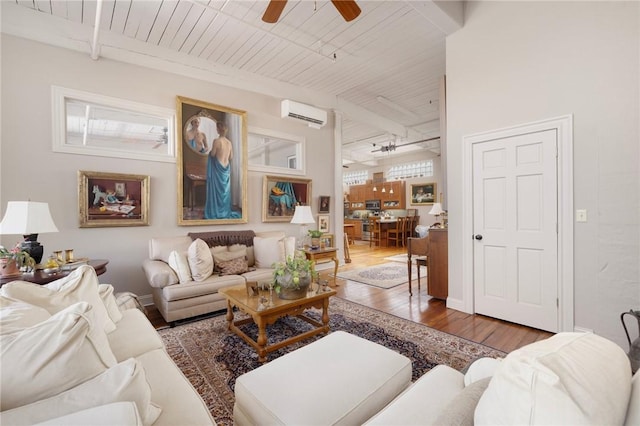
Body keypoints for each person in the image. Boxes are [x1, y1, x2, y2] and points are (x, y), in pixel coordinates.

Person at [204, 120, 241, 219]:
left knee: (217, 191)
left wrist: (211, 152)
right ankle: (224, 211)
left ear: (218, 130)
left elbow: (212, 154)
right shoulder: (229, 143)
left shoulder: (216, 141)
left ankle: (217, 211)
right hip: (226, 168)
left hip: (218, 168)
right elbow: (231, 157)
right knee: (225, 191)